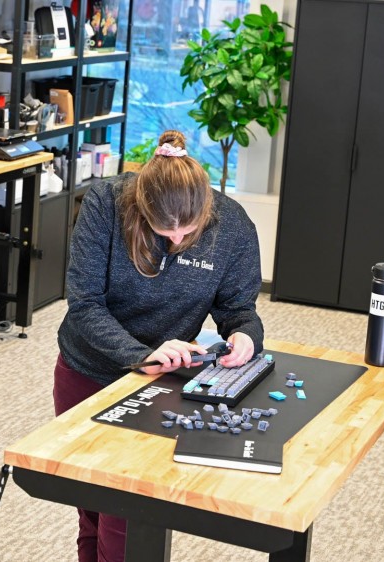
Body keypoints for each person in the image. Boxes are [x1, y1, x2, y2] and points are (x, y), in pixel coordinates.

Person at [53, 130, 264, 562]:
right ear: (141, 207)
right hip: (88, 369)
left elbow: (238, 308)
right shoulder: (104, 205)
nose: (174, 240)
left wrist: (245, 334)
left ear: (207, 209)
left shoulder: (234, 225)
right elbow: (84, 303)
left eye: (187, 231)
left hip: (159, 386)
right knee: (92, 504)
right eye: (162, 230)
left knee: (128, 515)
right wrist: (138, 354)